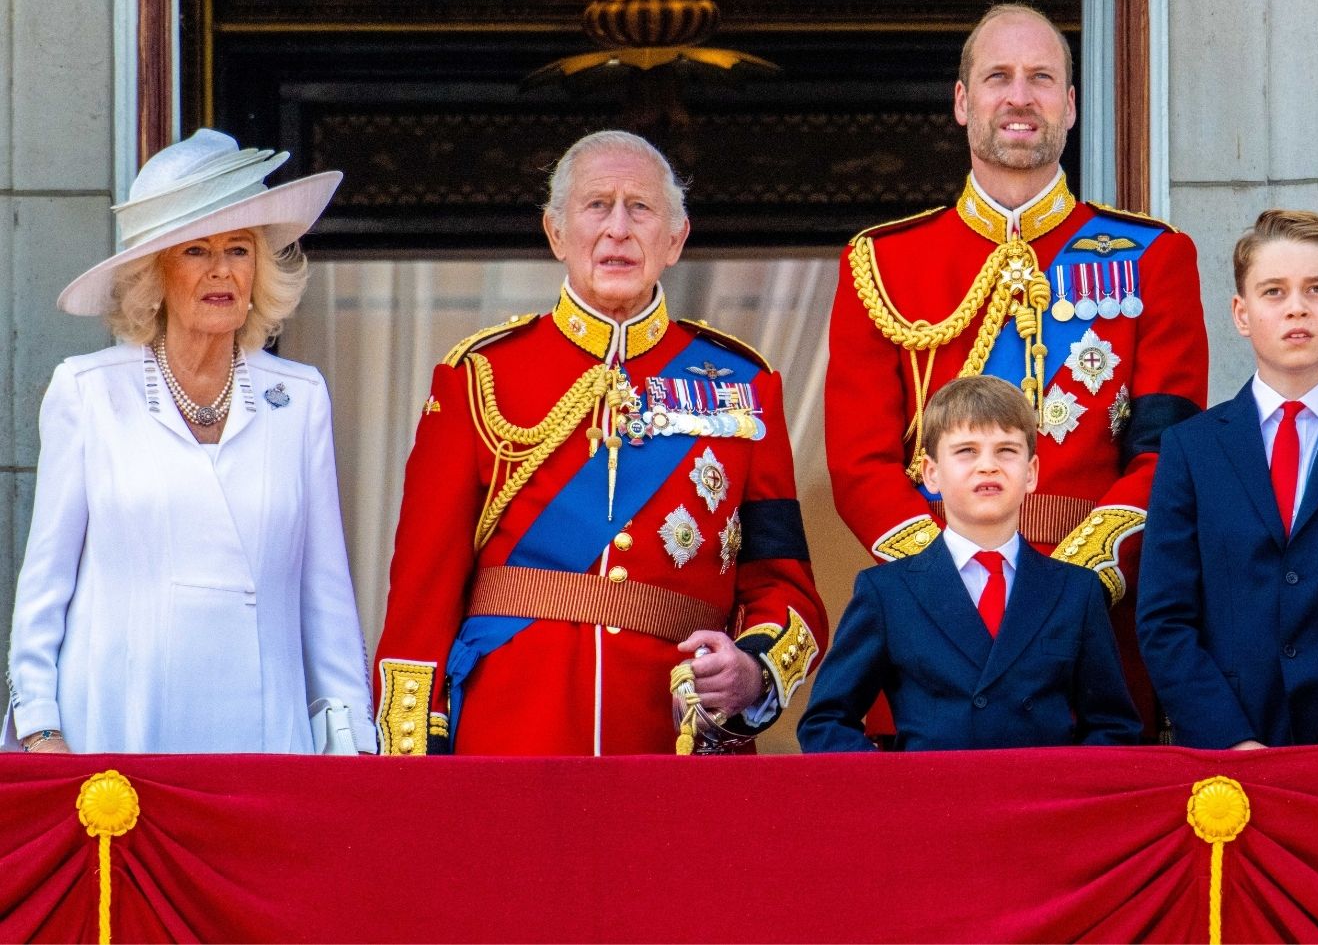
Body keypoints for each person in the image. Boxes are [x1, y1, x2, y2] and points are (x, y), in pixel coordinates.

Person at [372, 130, 826, 756]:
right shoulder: (480, 376)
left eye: (640, 208)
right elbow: (421, 599)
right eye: (596, 206)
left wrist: (751, 671)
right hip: (510, 737)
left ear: (676, 238)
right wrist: (409, 761)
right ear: (556, 233)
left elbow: (784, 588)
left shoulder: (748, 386)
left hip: (672, 745)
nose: (618, 229)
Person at [823, 4, 1207, 731]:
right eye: (998, 77)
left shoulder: (1153, 257)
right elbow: (859, 463)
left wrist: (1071, 590)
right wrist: (945, 581)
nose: (1020, 96)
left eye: (1042, 78)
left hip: (1096, 623)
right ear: (963, 102)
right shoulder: (880, 262)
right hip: (927, 633)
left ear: (1069, 102)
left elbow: (1168, 456)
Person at [4, 129, 376, 754]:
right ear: (155, 273)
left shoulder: (300, 398)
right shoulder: (89, 393)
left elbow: (326, 597)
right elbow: (44, 589)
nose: (222, 271)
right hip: (118, 733)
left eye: (238, 249)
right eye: (196, 250)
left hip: (265, 745)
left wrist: (352, 746)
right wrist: (43, 733)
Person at [1134, 210, 1318, 749]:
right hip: (1229, 741)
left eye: (1316, 289)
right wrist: (1230, 739)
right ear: (1241, 313)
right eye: (1273, 292)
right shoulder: (1191, 448)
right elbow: (1164, 619)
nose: (1296, 307)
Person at [799, 376, 1141, 752]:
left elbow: (1113, 726)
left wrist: (1069, 791)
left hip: (1041, 804)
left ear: (1031, 473)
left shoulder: (1076, 590)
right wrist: (895, 788)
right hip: (933, 804)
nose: (988, 466)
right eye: (966, 451)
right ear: (931, 473)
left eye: (1007, 451)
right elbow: (825, 723)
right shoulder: (888, 592)